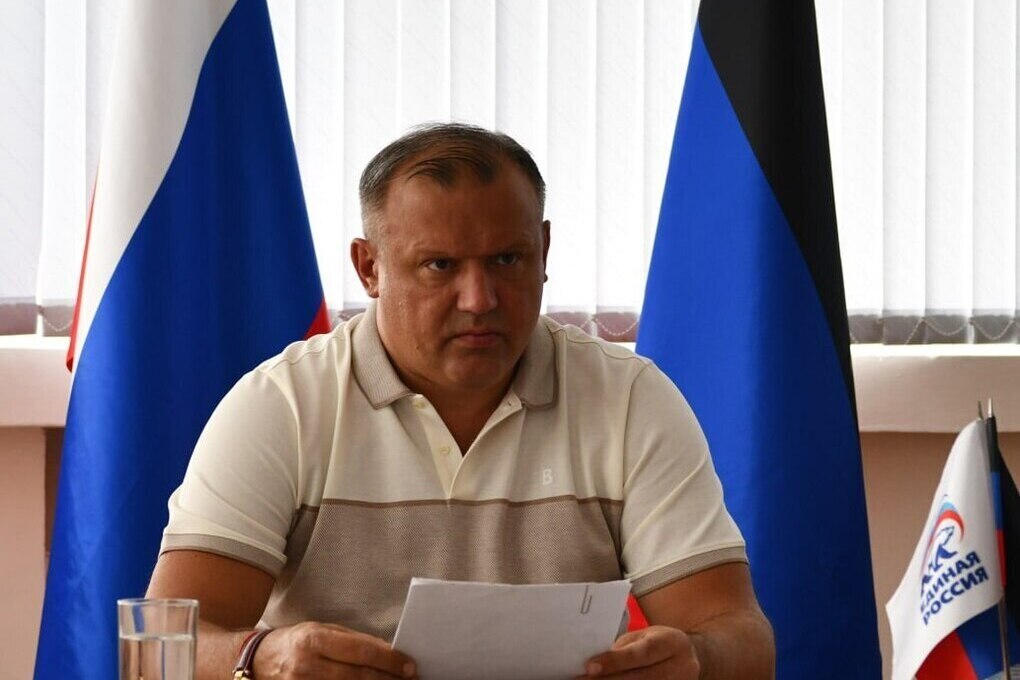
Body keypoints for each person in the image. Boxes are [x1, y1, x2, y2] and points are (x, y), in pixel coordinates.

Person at [146, 123, 775, 679]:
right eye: (440, 266)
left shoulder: (628, 398)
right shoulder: (283, 404)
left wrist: (697, 660)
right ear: (369, 268)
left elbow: (742, 638)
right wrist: (261, 658)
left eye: (507, 259)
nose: (479, 299)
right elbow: (161, 649)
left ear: (544, 252)